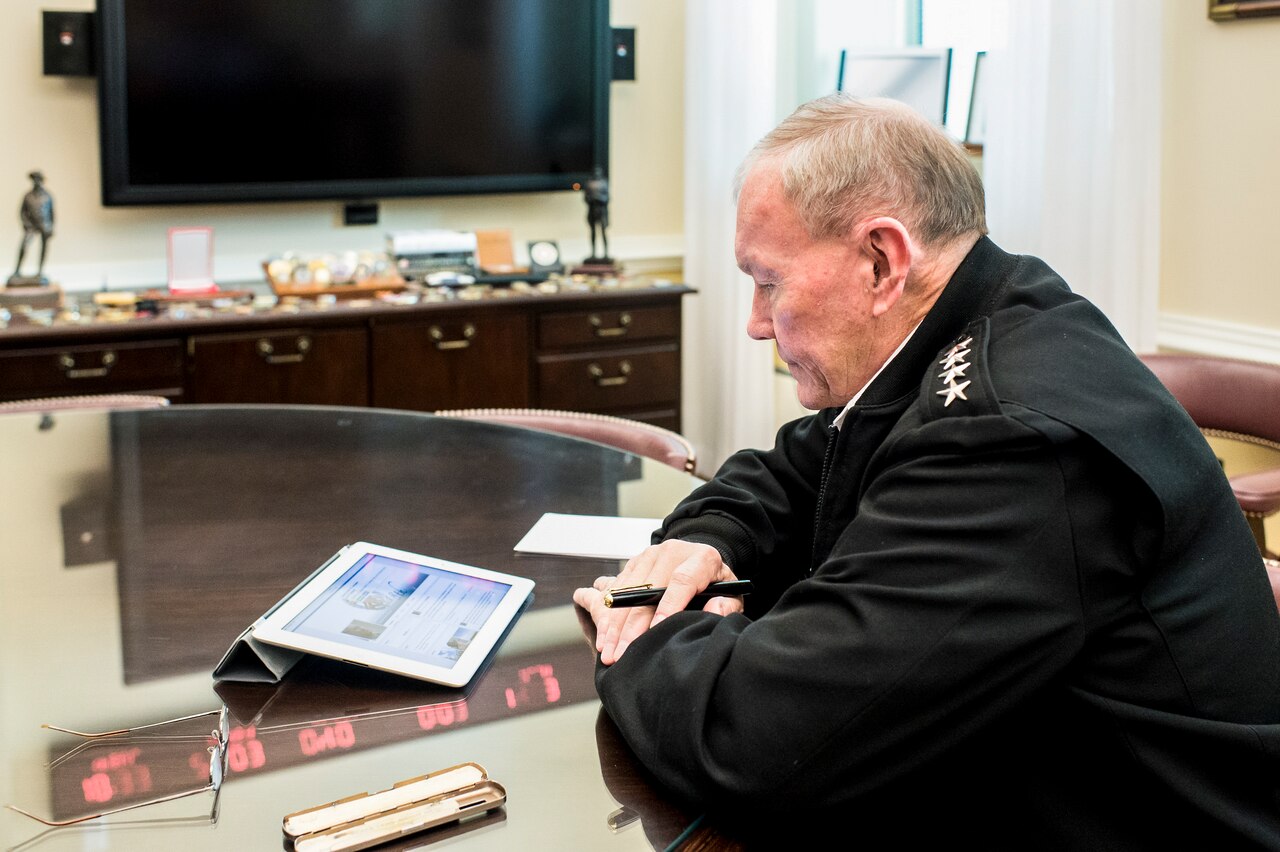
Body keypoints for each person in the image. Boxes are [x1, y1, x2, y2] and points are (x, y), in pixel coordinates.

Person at [573, 94, 1280, 848]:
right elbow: (791, 466)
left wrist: (644, 623)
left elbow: (755, 741)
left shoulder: (1011, 437)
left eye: (768, 281)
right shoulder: (974, 324)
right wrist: (707, 540)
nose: (754, 319)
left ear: (882, 260)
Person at [10, 170, 53, 285]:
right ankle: (17, 270)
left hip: (44, 226)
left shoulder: (47, 196)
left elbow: (52, 213)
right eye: (34, 180)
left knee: (43, 249)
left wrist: (51, 227)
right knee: (24, 246)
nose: (36, 182)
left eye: (38, 180)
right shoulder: (28, 196)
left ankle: (39, 271)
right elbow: (22, 212)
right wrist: (26, 223)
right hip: (31, 226)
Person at [584, 166, 610, 262]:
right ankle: (593, 253)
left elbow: (607, 198)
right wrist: (591, 198)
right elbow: (585, 198)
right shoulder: (589, 184)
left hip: (601, 211)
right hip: (592, 210)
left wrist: (597, 197)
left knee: (603, 232)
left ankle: (606, 253)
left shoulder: (604, 183)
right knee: (593, 232)